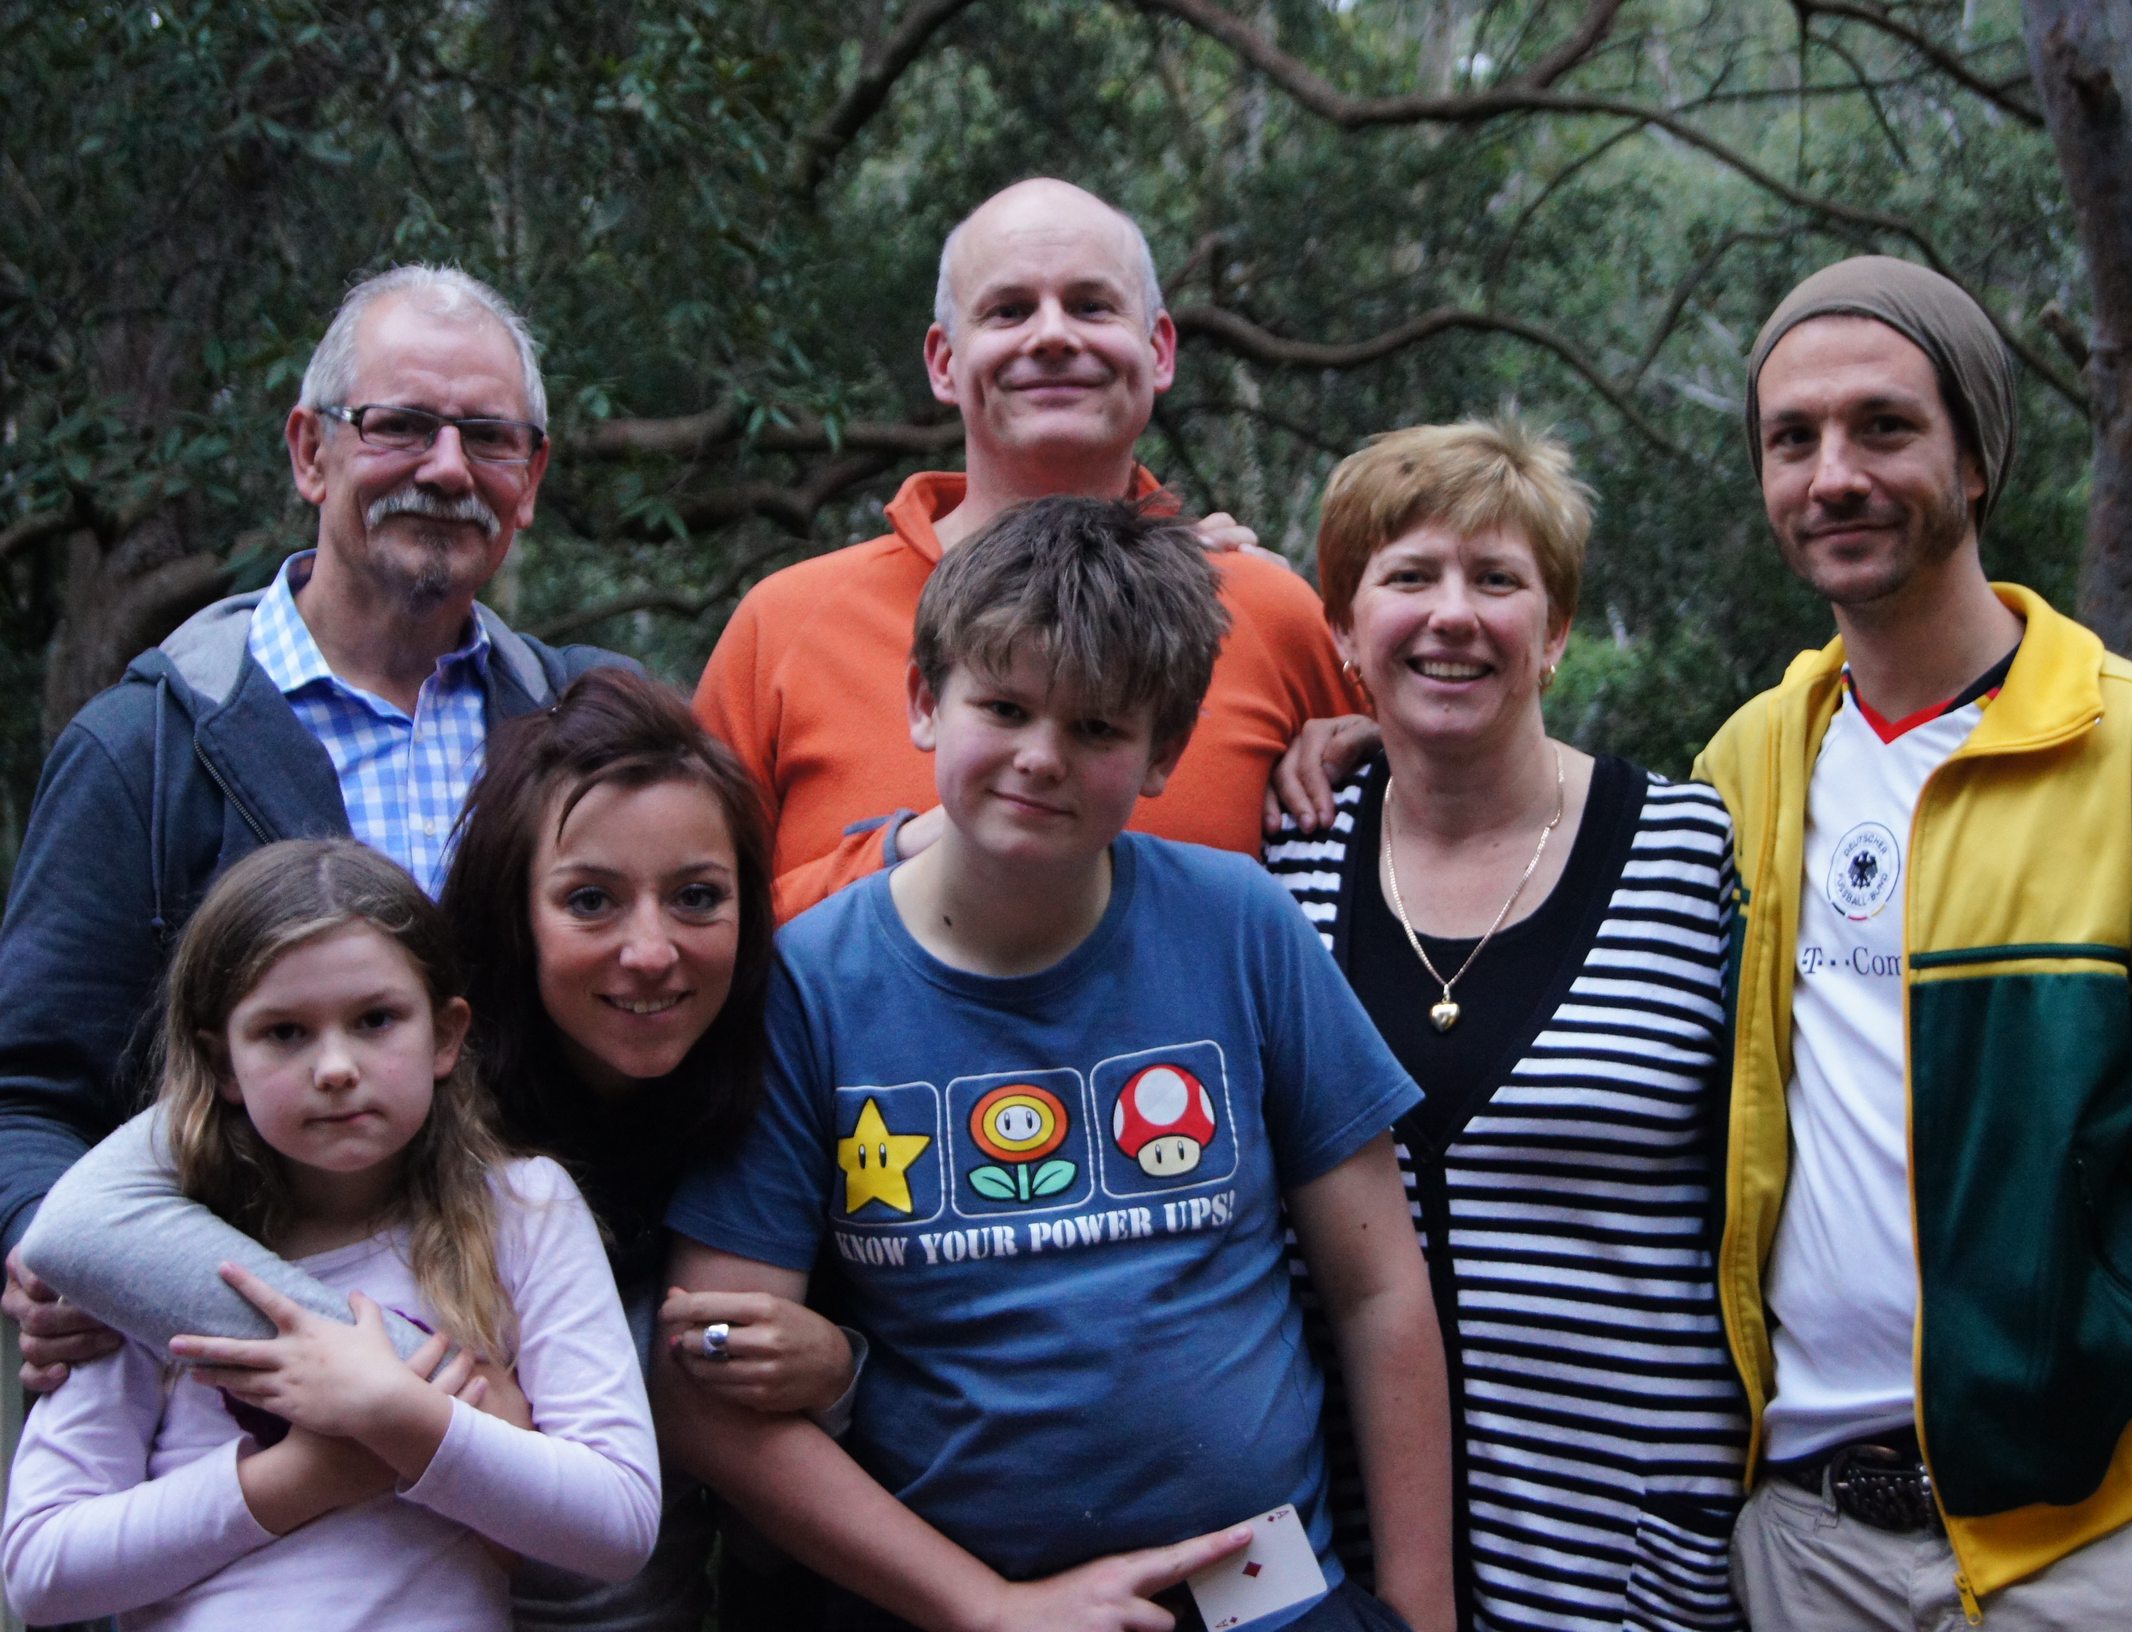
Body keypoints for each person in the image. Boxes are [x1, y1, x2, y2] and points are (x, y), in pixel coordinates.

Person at [1694, 256, 2132, 1631]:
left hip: (2102, 1550)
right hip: (1803, 1547)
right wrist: (1355, 738)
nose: (1833, 475)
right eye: (1791, 438)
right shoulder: (1742, 765)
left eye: (1884, 427)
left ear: (1976, 458)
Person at [657, 495, 1453, 1632]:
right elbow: (708, 1390)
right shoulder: (807, 987)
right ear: (924, 702)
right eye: (1004, 707)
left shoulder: (1237, 928)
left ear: (1163, 752)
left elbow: (1377, 1290)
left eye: (1095, 728)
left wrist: (1420, 1613)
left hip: (1262, 1599)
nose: (1041, 758)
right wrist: (989, 1607)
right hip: (947, 1608)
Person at [16, 669, 859, 1630]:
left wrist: (841, 1371)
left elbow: (626, 1506)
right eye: (590, 900)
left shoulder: (760, 1081)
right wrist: (390, 1402)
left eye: (698, 896)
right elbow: (84, 1232)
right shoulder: (357, 1092)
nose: (650, 949)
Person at [0, 263, 628, 1392]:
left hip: (555, 1381)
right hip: (228, 1394)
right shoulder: (147, 750)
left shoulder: (588, 732)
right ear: (310, 451)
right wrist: (54, 1250)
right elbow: (27, 1089)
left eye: (489, 438)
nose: (447, 468)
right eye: (400, 426)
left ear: (529, 479)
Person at [1261, 420, 1748, 1632]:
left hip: (1627, 1545)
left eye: (1496, 579)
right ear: (1342, 629)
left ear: (1556, 629)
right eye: (1407, 576)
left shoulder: (1691, 852)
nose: (1452, 615)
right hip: (1343, 1554)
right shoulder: (1284, 865)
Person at [1, 840, 659, 1629]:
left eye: (376, 1020)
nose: (336, 1067)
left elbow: (619, 1525)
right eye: (284, 1032)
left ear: (446, 1035)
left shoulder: (523, 1211)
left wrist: (397, 1416)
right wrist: (307, 1475)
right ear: (221, 1063)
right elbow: (39, 1569)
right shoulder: (149, 1252)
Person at [694, 177, 1358, 920]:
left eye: (1092, 306)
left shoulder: (1271, 614)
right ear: (944, 363)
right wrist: (904, 854)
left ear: (1159, 350)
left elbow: (1421, 851)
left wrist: (1378, 738)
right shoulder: (783, 626)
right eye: (1008, 311)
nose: (1052, 336)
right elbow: (683, 918)